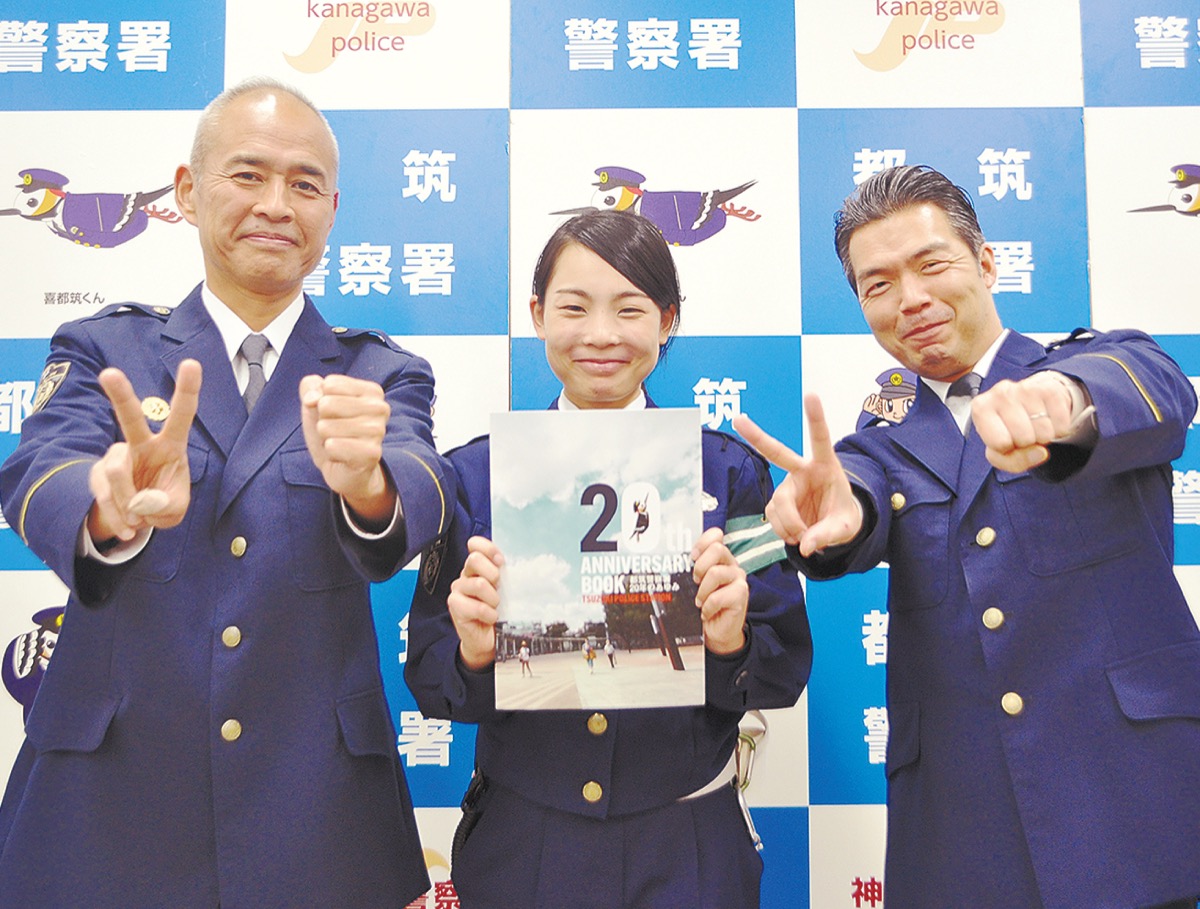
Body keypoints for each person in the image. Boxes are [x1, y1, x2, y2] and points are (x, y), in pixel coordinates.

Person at [0, 77, 453, 908]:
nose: (276, 204)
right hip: (110, 801)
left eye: (305, 184)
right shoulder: (105, 348)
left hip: (316, 808)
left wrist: (369, 485)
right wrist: (106, 507)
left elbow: (421, 484)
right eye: (248, 174)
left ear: (331, 212)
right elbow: (39, 470)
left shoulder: (379, 371)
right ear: (186, 190)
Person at [736, 165, 1200, 909]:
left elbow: (1156, 392)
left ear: (985, 263)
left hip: (1126, 808)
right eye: (878, 284)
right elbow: (857, 495)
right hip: (961, 835)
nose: (910, 299)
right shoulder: (878, 442)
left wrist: (1063, 405)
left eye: (931, 264)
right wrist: (839, 513)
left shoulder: (1095, 364)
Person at [405, 209, 812, 909]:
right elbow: (431, 682)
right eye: (573, 307)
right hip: (523, 845)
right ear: (537, 315)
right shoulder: (474, 476)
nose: (601, 334)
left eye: (630, 309)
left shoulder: (727, 472)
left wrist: (729, 642)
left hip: (688, 847)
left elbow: (783, 672)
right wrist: (474, 652)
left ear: (667, 320)